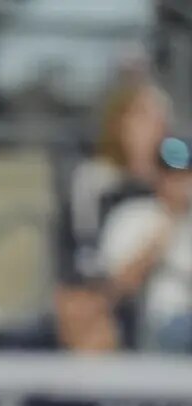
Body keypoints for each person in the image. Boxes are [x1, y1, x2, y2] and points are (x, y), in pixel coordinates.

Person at [64, 79, 170, 279]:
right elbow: (86, 250)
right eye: (144, 117)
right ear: (119, 123)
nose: (157, 126)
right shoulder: (96, 179)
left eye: (161, 118)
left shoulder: (174, 179)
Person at [97, 136, 192, 351]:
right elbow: (117, 289)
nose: (181, 183)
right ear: (158, 176)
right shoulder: (133, 216)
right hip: (159, 322)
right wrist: (159, 240)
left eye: (187, 175)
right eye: (173, 175)